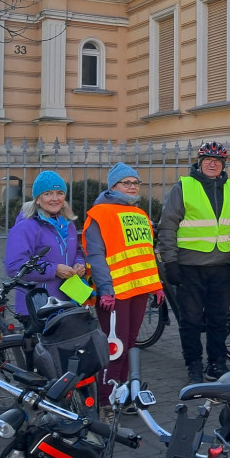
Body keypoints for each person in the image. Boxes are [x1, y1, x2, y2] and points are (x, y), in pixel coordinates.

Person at [82, 163, 165, 420]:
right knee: (115, 346)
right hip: (114, 294)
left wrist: (156, 286)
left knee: (129, 344)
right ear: (113, 186)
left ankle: (123, 394)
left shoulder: (140, 214)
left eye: (135, 183)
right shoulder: (99, 214)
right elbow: (95, 255)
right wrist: (105, 289)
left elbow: (146, 254)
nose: (131, 187)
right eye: (125, 183)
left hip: (138, 292)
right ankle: (105, 402)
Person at [157, 141, 230, 384]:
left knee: (218, 319)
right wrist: (170, 262)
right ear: (200, 162)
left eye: (217, 160)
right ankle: (193, 364)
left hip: (222, 266)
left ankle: (217, 363)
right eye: (208, 160)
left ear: (223, 164)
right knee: (191, 320)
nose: (212, 163)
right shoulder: (183, 187)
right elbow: (168, 226)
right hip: (189, 266)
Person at [5, 171, 86, 316]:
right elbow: (14, 266)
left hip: (68, 302)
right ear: (37, 199)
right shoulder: (26, 226)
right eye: (48, 193)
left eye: (59, 193)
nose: (55, 199)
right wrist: (54, 270)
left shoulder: (68, 224)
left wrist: (79, 264)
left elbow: (77, 251)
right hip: (39, 305)